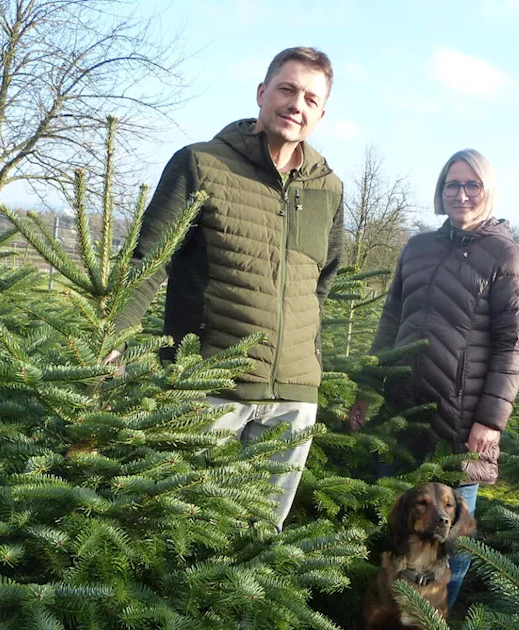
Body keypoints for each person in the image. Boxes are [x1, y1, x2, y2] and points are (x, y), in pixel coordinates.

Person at [110, 47, 345, 530]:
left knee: (258, 541)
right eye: (286, 88)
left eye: (310, 98)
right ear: (262, 93)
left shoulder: (329, 187)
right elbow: (148, 259)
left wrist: (307, 353)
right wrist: (108, 338)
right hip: (209, 385)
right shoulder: (200, 164)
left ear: (321, 113)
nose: (295, 104)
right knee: (183, 532)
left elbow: (323, 278)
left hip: (294, 401)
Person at [348, 149, 519, 608]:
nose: (462, 194)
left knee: (453, 539)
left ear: (487, 191)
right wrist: (368, 390)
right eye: (453, 185)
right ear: (440, 190)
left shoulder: (505, 257)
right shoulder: (417, 248)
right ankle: (383, 623)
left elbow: (513, 344)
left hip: (461, 421)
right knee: (396, 524)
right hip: (402, 412)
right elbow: (390, 323)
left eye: (472, 185)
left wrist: (490, 421)